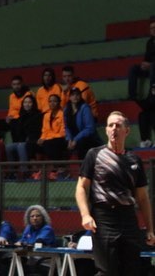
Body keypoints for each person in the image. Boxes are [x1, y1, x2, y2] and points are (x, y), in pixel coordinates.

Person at [76, 111, 155, 276]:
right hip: (104, 218)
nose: (114, 129)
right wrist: (85, 215)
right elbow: (81, 188)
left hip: (128, 218)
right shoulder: (94, 154)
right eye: (110, 125)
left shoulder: (135, 160)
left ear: (127, 131)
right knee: (107, 271)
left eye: (118, 125)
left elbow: (142, 197)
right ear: (106, 130)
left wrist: (149, 229)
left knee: (132, 270)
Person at [6, 94, 42, 178]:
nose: (27, 104)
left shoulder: (38, 115)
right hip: (22, 141)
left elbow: (37, 131)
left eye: (29, 102)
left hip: (34, 141)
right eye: (25, 102)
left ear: (33, 104)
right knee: (8, 147)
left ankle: (24, 171)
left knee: (21, 146)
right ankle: (12, 172)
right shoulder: (21, 116)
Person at [14, 205, 56, 276]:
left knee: (17, 266)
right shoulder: (28, 228)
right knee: (12, 263)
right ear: (29, 218)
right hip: (31, 260)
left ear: (43, 217)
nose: (35, 218)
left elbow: (37, 242)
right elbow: (21, 241)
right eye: (32, 216)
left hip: (45, 263)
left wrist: (23, 244)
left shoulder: (47, 229)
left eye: (38, 216)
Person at [36, 94, 67, 179]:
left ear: (59, 103)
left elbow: (63, 131)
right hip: (49, 139)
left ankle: (57, 170)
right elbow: (45, 130)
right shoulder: (46, 115)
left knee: (51, 144)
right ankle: (39, 170)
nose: (52, 103)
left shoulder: (63, 114)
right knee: (34, 145)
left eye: (55, 101)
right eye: (50, 101)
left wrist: (48, 138)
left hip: (61, 138)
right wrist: (42, 138)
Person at [64, 87, 101, 160]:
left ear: (80, 96)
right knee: (59, 143)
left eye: (77, 94)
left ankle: (84, 168)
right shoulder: (66, 110)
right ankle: (61, 169)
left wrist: (76, 139)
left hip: (86, 137)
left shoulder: (85, 108)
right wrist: (69, 139)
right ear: (70, 97)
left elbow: (90, 128)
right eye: (73, 95)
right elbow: (66, 127)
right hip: (73, 137)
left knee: (82, 143)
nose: (75, 97)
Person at [127, 19, 155, 100]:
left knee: (153, 66)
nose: (153, 29)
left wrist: (150, 64)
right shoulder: (149, 42)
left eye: (154, 27)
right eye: (151, 28)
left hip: (153, 66)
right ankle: (132, 96)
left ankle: (152, 95)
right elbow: (147, 57)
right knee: (133, 68)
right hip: (151, 67)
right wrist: (144, 64)